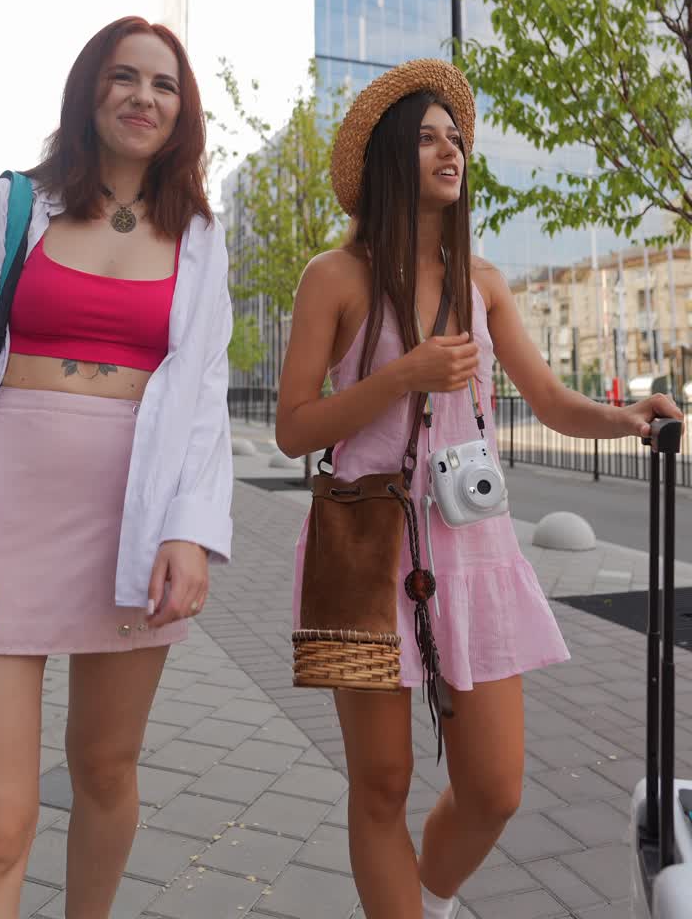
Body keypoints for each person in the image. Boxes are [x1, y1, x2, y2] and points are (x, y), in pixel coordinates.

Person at [276, 58, 683, 919]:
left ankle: (427, 896)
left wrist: (628, 419)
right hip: (367, 552)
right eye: (427, 138)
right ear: (391, 158)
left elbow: (550, 401)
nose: (450, 149)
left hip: (473, 552)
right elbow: (294, 429)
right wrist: (405, 375)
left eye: (456, 136)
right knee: (380, 786)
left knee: (495, 787)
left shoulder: (484, 280)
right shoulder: (333, 277)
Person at [0, 16, 233, 919]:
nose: (143, 97)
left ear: (181, 112)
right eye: (124, 77)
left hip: (134, 527)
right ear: (92, 91)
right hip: (2, 528)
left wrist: (190, 532)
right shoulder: (11, 205)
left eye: (163, 85)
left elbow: (203, 394)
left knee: (106, 769)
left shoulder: (199, 236)